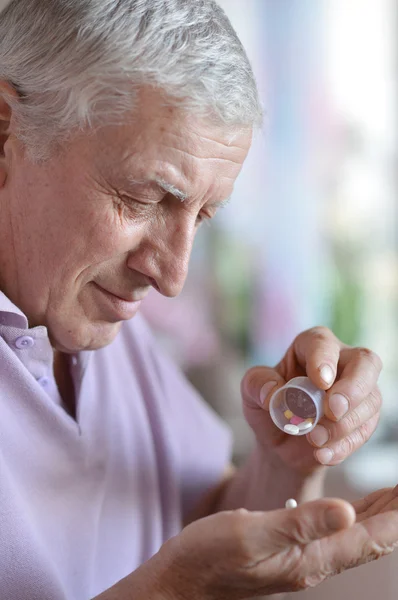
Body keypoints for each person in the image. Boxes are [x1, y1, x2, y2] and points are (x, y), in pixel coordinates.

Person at [0, 1, 397, 599]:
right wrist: (173, 592)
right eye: (142, 198)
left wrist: (284, 464)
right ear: (7, 130)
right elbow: (184, 570)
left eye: (202, 215)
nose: (172, 278)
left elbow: (202, 511)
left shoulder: (100, 315)